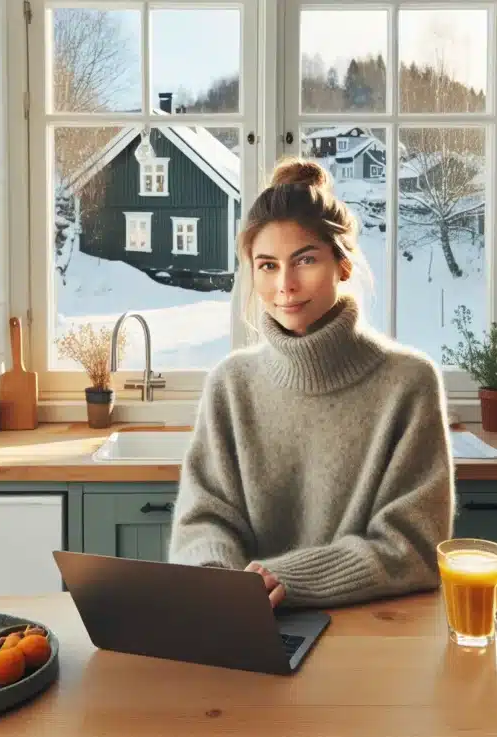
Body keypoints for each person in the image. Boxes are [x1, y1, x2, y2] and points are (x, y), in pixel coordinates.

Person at [167, 157, 455, 609]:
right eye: (267, 265)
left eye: (305, 260)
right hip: (248, 624)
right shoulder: (231, 384)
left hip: (369, 633)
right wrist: (222, 587)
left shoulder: (408, 383)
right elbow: (203, 520)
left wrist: (286, 580)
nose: (285, 285)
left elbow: (414, 544)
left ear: (342, 265)